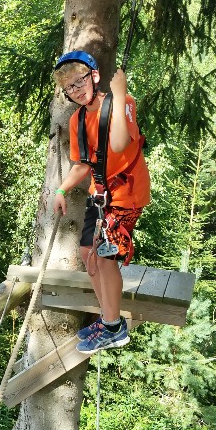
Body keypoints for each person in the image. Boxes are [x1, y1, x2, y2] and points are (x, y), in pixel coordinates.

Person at [51, 50, 150, 355]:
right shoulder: (79, 118)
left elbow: (119, 143)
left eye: (79, 82)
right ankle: (109, 321)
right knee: (87, 251)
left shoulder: (123, 103)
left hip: (126, 194)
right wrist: (61, 190)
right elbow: (82, 164)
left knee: (104, 255)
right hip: (101, 195)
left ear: (94, 76)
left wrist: (119, 94)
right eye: (69, 88)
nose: (75, 91)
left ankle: (112, 325)